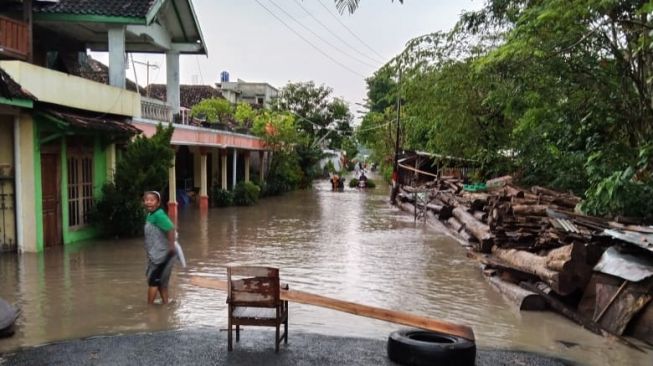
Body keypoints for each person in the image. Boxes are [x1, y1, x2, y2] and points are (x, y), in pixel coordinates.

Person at [143, 191, 176, 304]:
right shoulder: (150, 215)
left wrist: (171, 247)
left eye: (152, 200)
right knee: (161, 281)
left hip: (162, 255)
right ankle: (166, 304)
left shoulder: (159, 215)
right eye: (147, 200)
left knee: (153, 282)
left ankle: (150, 309)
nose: (149, 202)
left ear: (158, 203)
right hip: (155, 254)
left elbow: (171, 229)